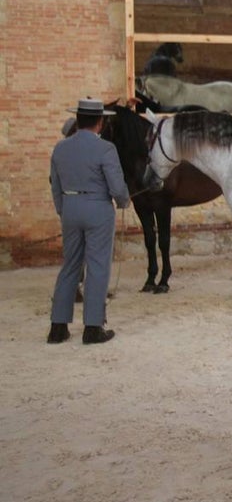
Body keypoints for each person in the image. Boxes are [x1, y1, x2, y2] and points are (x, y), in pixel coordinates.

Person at [48, 98, 131, 344]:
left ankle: (58, 328)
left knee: (70, 266)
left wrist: (63, 210)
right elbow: (117, 187)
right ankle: (92, 328)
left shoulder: (60, 148)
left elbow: (56, 186)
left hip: (70, 206)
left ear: (78, 119)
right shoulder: (106, 149)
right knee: (97, 267)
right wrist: (124, 201)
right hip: (98, 209)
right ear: (100, 122)